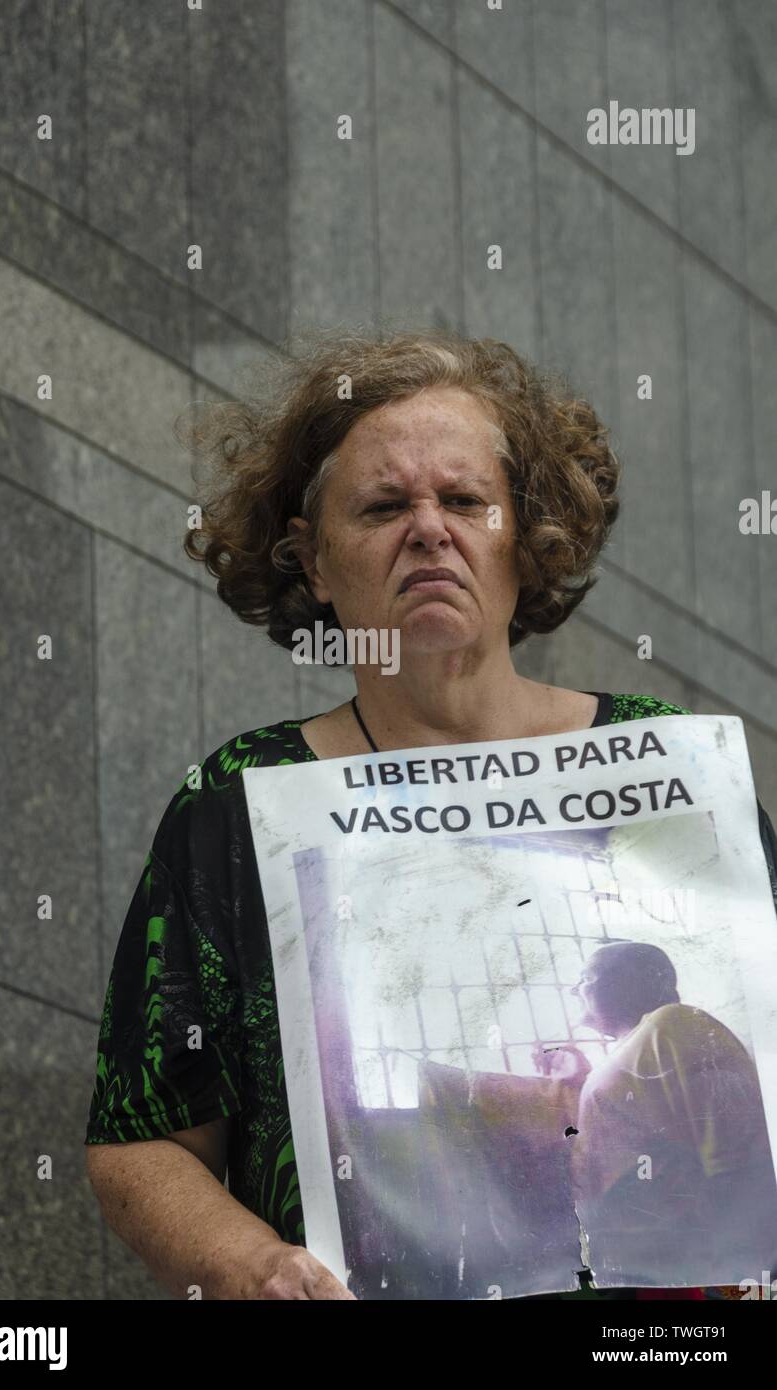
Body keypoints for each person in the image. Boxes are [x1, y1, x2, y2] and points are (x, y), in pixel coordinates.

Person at [83, 328, 777, 1300]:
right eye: (381, 505)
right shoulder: (238, 805)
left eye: (464, 499)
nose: (428, 527)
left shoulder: (672, 766)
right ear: (315, 564)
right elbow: (139, 1143)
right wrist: (252, 1267)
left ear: (525, 544)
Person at [565, 943, 777, 1288]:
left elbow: (738, 1149)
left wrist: (742, 1270)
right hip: (645, 1264)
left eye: (586, 978)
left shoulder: (673, 1024)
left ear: (632, 980)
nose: (576, 990)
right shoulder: (635, 1044)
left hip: (698, 1264)